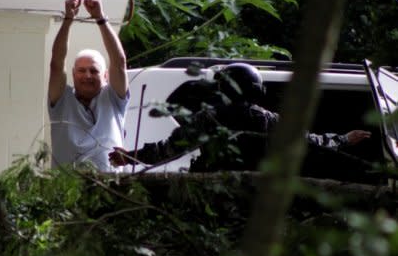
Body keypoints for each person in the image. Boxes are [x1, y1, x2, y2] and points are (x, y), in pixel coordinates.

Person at [109, 63, 371, 174]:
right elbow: (310, 142)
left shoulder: (209, 119)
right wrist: (344, 139)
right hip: (253, 205)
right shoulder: (269, 121)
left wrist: (129, 156)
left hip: (212, 200)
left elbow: (167, 151)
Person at [48, 0, 129, 171]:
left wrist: (100, 18)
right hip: (66, 190)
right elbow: (56, 65)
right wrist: (68, 20)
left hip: (109, 189)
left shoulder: (113, 98)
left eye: (94, 71)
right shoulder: (62, 99)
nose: (87, 75)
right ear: (73, 73)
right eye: (81, 70)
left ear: (106, 76)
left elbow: (119, 62)